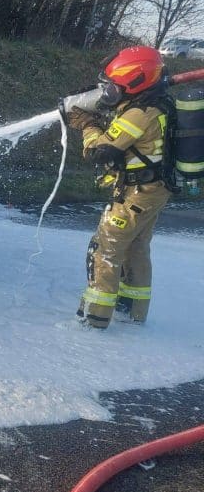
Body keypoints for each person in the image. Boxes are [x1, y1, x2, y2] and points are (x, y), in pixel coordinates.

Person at [66, 46, 175, 329]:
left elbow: (100, 152)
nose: (110, 91)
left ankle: (95, 318)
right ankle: (133, 312)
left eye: (115, 86)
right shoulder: (157, 101)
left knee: (106, 247)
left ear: (135, 82)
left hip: (137, 194)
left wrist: (87, 125)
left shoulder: (141, 112)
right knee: (136, 247)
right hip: (154, 190)